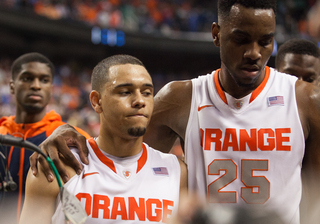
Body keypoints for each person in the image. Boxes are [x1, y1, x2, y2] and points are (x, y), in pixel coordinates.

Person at [30, 1, 320, 223]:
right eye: (241, 39)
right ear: (217, 35)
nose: (254, 52)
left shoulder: (306, 99)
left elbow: (316, 193)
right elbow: (124, 154)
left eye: (265, 41)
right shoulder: (182, 98)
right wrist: (65, 131)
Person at [20, 54, 187, 224]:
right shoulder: (56, 167)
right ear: (96, 101)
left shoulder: (177, 172)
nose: (139, 101)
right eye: (125, 92)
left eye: (147, 92)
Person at [0, 52, 90, 223]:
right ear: (12, 86)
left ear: (51, 88)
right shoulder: (2, 133)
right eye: (27, 78)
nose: (36, 86)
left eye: (44, 80)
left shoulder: (72, 137)